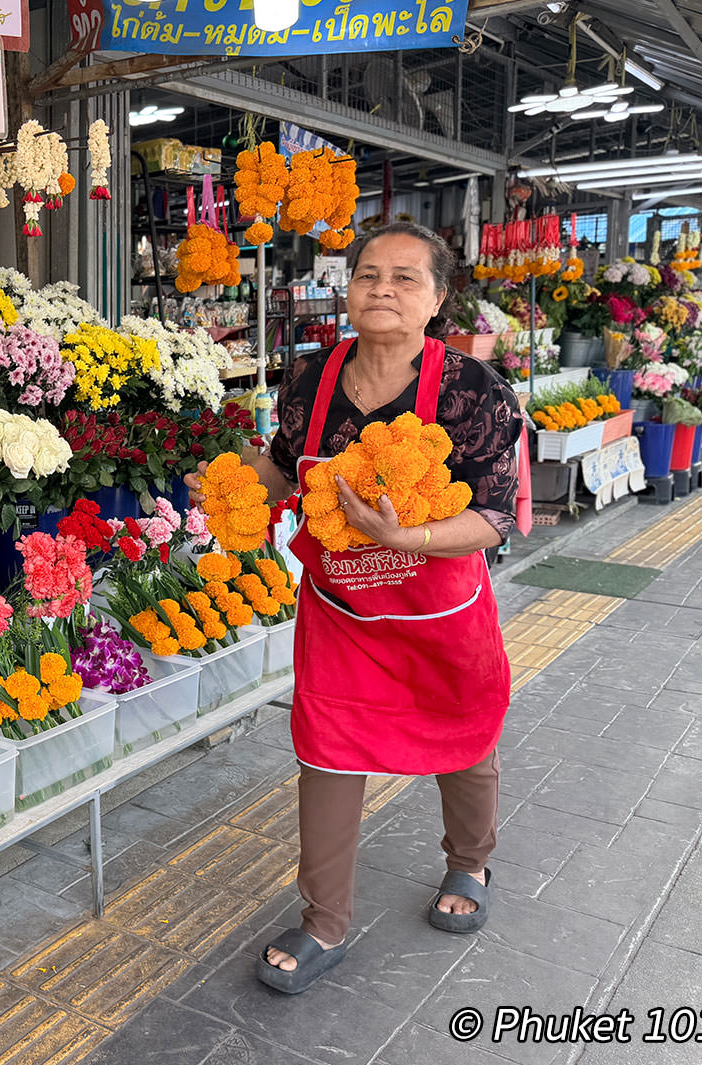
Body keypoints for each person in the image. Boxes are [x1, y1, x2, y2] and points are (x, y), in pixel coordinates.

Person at [188, 221, 523, 994]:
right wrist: (234, 485)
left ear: (438, 298)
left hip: (439, 612)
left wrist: (409, 532)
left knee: (463, 737)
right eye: (368, 273)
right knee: (327, 749)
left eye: (406, 277)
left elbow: (496, 515)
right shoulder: (307, 376)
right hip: (342, 610)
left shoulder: (475, 391)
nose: (382, 288)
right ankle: (323, 923)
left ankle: (470, 862)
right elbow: (285, 468)